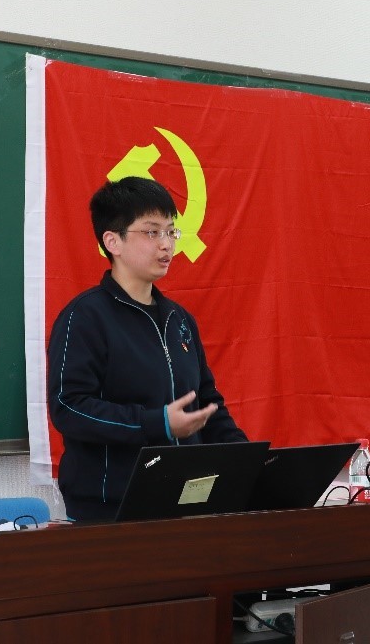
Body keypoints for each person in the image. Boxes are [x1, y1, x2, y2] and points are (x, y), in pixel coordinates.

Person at [47, 176, 247, 521]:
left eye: (171, 231)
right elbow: (69, 407)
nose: (166, 245)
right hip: (110, 512)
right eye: (152, 232)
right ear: (113, 241)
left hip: (184, 503)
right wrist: (158, 423)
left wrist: (249, 459)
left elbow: (207, 404)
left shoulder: (179, 320)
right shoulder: (84, 317)